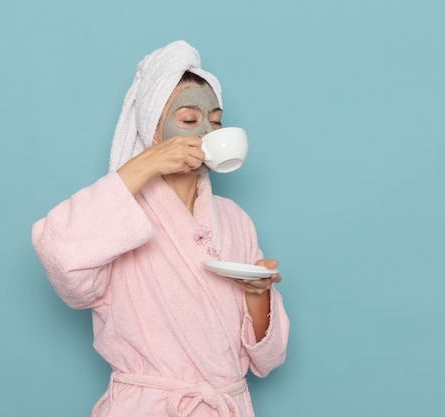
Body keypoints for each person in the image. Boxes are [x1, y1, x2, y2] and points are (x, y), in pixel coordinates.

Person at [31, 40, 289, 417]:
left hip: (223, 404)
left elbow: (269, 358)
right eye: (188, 120)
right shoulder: (117, 216)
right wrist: (145, 164)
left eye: (215, 121)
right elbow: (61, 258)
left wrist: (257, 294)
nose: (205, 132)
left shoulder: (234, 218)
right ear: (152, 131)